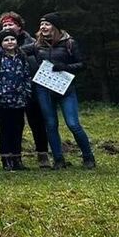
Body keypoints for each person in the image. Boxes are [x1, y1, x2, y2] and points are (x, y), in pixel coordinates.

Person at [23, 12, 95, 169]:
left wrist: (66, 67)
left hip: (66, 89)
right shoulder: (37, 45)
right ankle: (58, 159)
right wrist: (2, 42)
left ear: (55, 27)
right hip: (44, 89)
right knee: (50, 124)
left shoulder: (69, 43)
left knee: (73, 123)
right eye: (41, 24)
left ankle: (88, 157)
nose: (43, 27)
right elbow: (17, 50)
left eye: (47, 24)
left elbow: (83, 64)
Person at [0, 11, 50, 167]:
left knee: (37, 122)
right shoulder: (0, 45)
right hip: (11, 92)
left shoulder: (33, 42)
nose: (7, 27)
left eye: (10, 24)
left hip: (32, 89)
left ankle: (43, 154)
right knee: (15, 124)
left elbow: (40, 64)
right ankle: (15, 156)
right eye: (4, 25)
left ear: (19, 26)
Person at [0, 28, 35, 170]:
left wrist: (26, 92)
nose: (10, 42)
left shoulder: (21, 55)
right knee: (5, 129)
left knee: (18, 129)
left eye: (12, 39)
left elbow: (26, 74)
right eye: (6, 40)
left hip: (19, 99)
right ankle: (6, 159)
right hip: (1, 100)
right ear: (1, 43)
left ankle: (17, 158)